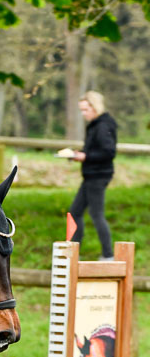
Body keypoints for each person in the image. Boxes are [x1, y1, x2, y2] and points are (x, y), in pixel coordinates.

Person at [68, 90, 117, 261]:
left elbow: (109, 152)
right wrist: (79, 154)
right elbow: (94, 149)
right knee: (75, 212)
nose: (83, 114)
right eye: (81, 110)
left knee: (96, 214)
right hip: (91, 175)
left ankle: (108, 255)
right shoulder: (96, 125)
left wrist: (86, 156)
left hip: (98, 175)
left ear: (95, 107)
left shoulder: (103, 126)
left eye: (85, 110)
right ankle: (74, 253)